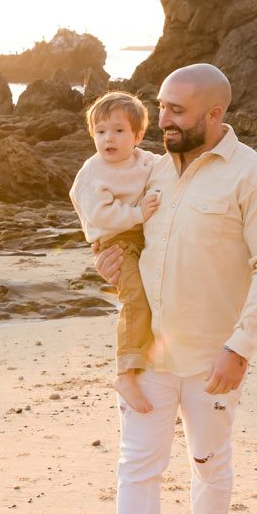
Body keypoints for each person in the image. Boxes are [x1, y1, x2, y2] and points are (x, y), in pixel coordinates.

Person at [87, 63, 257, 514]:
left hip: (212, 355)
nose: (164, 121)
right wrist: (109, 264)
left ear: (214, 114)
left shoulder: (253, 178)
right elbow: (131, 238)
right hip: (152, 351)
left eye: (177, 111)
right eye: (162, 108)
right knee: (136, 468)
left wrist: (241, 347)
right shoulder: (151, 172)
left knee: (208, 459)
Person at [67, 91, 164, 408]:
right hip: (116, 240)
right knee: (135, 297)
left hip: (142, 233)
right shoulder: (92, 173)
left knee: (155, 293)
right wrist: (139, 214)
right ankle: (126, 371)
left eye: (119, 131)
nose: (109, 138)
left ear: (137, 136)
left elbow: (169, 169)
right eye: (101, 131)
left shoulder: (146, 161)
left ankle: (151, 352)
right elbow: (101, 214)